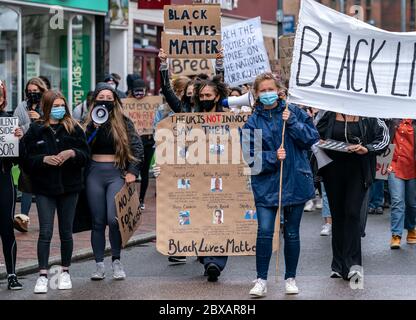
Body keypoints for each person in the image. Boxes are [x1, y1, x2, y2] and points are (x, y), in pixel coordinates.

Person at [242, 73, 319, 297]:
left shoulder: (293, 113)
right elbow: (252, 159)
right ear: (256, 94)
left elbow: (311, 139)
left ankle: (291, 278)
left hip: (294, 180)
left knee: (292, 233)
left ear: (279, 90)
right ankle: (261, 280)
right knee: (265, 231)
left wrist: (292, 122)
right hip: (266, 185)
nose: (267, 94)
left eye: (270, 89)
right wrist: (274, 157)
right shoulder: (252, 122)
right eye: (263, 91)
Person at [21, 90, 90, 293]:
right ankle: (43, 275)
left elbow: (86, 155)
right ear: (46, 107)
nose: (59, 109)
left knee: (66, 232)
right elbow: (25, 160)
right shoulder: (35, 130)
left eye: (62, 105)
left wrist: (72, 153)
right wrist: (43, 159)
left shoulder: (74, 128)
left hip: (70, 187)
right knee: (45, 232)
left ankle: (65, 272)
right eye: (55, 106)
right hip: (45, 188)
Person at [316, 111, 389, 280]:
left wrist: (367, 148)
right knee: (338, 215)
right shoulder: (328, 114)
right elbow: (313, 135)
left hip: (358, 171)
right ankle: (338, 264)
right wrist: (318, 142)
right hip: (332, 171)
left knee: (353, 213)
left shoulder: (370, 115)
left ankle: (354, 265)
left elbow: (384, 141)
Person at [84, 82, 144, 281]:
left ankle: (116, 260)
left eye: (109, 99)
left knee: (113, 218)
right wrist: (93, 128)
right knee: (98, 221)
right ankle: (99, 264)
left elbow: (137, 148)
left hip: (116, 173)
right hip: (94, 173)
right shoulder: (87, 123)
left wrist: (132, 171)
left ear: (115, 101)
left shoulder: (124, 122)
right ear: (94, 101)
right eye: (101, 98)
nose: (105, 101)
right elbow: (81, 147)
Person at [13, 77, 48, 232]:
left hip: (45, 151)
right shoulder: (22, 106)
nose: (33, 94)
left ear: (42, 90)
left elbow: (52, 124)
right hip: (27, 151)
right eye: (30, 91)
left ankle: (45, 220)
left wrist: (39, 119)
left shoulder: (48, 104)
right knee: (26, 185)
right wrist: (24, 128)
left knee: (41, 186)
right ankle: (23, 220)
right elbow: (16, 123)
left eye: (36, 91)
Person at [0, 80, 24, 290]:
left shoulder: (8, 121)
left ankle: (12, 274)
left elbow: (17, 160)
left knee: (6, 227)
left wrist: (19, 139)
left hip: (3, 179)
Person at [387, 119, 416, 249]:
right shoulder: (392, 119)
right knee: (397, 201)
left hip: (413, 168)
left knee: (411, 203)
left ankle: (411, 229)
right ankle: (396, 235)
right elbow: (383, 139)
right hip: (394, 166)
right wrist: (383, 162)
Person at [127, 78, 154, 210]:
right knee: (130, 171)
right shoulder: (126, 104)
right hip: (131, 144)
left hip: (148, 142)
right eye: (136, 92)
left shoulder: (153, 104)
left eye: (141, 92)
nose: (139, 95)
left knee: (144, 172)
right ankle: (130, 198)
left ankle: (141, 199)